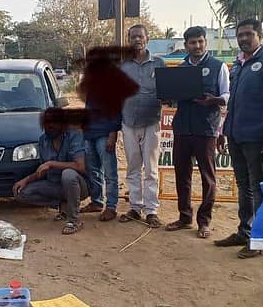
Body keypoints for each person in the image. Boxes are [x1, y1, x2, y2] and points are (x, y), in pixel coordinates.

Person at [214, 18, 263, 258]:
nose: (243, 38)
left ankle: (259, 238)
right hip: (235, 134)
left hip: (258, 137)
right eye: (240, 35)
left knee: (258, 186)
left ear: (259, 36)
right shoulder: (237, 65)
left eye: (248, 34)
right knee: (243, 185)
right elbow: (232, 102)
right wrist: (223, 131)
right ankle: (244, 232)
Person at [164, 26, 229, 239]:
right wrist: (166, 97)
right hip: (182, 128)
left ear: (205, 43)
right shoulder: (180, 68)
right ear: (186, 45)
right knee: (182, 175)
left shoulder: (218, 66)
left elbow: (227, 95)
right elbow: (173, 97)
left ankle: (204, 221)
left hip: (206, 129)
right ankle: (184, 217)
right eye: (193, 42)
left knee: (207, 177)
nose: (197, 45)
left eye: (200, 41)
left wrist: (214, 100)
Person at [119, 24, 166, 227]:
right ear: (129, 40)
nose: (137, 40)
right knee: (133, 167)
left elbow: (166, 92)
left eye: (140, 36)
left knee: (151, 169)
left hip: (151, 122)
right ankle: (135, 207)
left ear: (147, 39)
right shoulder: (122, 65)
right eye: (133, 37)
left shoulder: (159, 63)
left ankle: (151, 210)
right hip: (128, 122)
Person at [14, 108, 89, 234]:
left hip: (78, 186)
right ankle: (63, 205)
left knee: (68, 174)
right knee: (21, 192)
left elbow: (80, 166)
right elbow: (42, 170)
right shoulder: (43, 140)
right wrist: (25, 180)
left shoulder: (74, 136)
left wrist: (51, 163)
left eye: (54, 122)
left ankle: (73, 220)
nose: (50, 126)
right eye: (47, 122)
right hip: (54, 185)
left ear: (63, 124)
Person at [80, 94, 121, 222]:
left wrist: (113, 134)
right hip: (89, 134)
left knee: (109, 173)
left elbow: (116, 109)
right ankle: (97, 202)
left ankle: (111, 207)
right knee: (93, 172)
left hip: (105, 134)